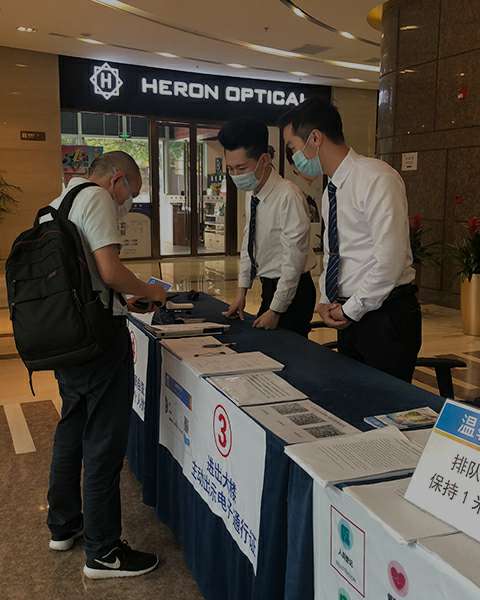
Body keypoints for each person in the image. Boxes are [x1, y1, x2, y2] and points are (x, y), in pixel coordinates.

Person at [46, 151, 166, 579]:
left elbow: (89, 278)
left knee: (72, 429)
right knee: (103, 442)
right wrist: (151, 293)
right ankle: (103, 551)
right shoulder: (96, 197)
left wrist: (121, 297)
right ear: (117, 179)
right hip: (99, 344)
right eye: (131, 192)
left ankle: (63, 525)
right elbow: (110, 270)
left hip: (66, 338)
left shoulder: (56, 204)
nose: (127, 203)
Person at [280, 98, 421, 382]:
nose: (293, 157)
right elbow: (334, 253)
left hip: (385, 317)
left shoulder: (377, 178)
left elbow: (390, 261)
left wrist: (351, 309)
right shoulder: (331, 190)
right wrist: (326, 299)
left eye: (293, 147)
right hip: (350, 313)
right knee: (352, 397)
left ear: (315, 138)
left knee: (385, 402)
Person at [218, 117, 316, 337]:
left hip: (294, 291)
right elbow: (248, 242)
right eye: (230, 169)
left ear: (264, 160)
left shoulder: (288, 196)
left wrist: (276, 309)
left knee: (284, 352)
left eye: (241, 168)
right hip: (269, 286)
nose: (236, 176)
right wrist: (241, 292)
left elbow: (293, 260)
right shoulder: (253, 193)